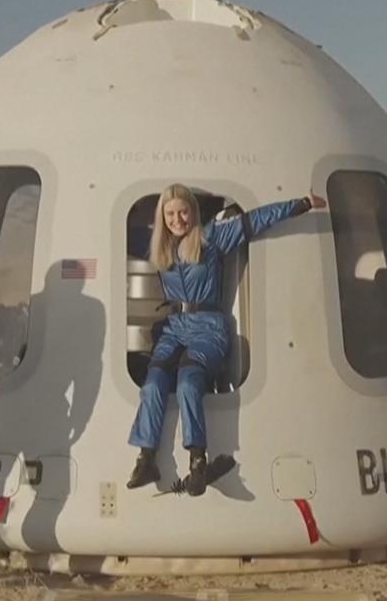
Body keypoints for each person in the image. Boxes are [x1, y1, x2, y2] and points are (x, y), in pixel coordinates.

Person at [127, 184, 325, 496]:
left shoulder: (212, 238)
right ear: (162, 217)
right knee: (153, 383)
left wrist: (301, 204)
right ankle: (146, 456)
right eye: (170, 214)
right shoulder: (157, 247)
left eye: (183, 212)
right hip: (175, 328)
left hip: (208, 327)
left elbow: (255, 220)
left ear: (192, 212)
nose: (177, 220)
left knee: (189, 381)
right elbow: (113, 234)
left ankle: (198, 460)